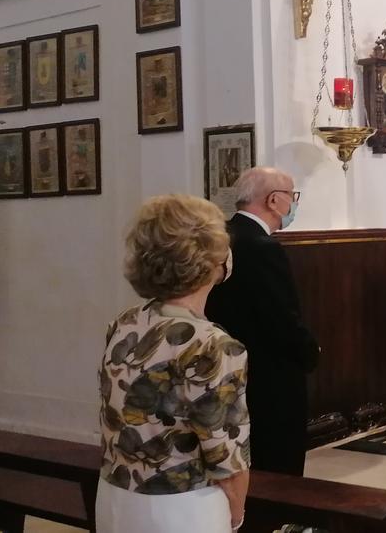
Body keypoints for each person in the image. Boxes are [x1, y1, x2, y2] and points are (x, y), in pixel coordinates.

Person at [98, 194, 249, 532]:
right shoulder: (214, 345)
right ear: (210, 259)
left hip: (116, 496)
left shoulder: (125, 324)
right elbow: (228, 457)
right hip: (184, 507)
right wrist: (236, 513)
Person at [206, 167, 320, 475]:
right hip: (270, 372)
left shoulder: (220, 236)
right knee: (278, 458)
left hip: (226, 365)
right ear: (273, 200)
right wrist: (310, 351)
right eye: (292, 197)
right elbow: (280, 316)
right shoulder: (262, 246)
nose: (294, 204)